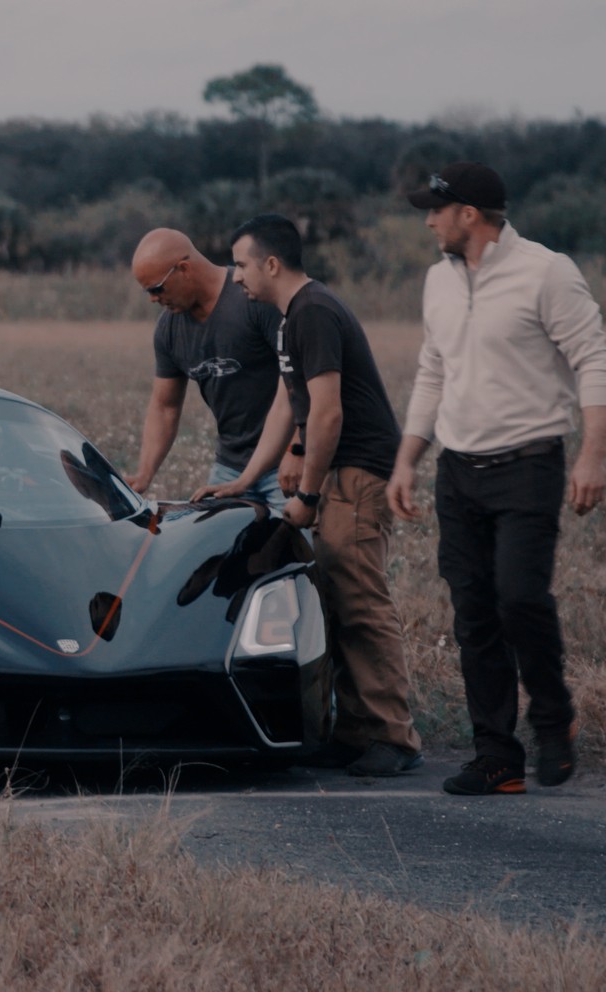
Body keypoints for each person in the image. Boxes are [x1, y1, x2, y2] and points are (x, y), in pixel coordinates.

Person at [389, 162, 606, 796]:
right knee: (475, 616)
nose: (428, 220)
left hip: (528, 465)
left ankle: (553, 719)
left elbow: (593, 360)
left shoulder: (547, 272)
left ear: (470, 214)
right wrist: (409, 457)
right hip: (457, 471)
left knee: (520, 598)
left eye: (436, 209)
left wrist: (592, 455)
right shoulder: (438, 281)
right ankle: (497, 757)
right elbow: (433, 371)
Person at [215, 214, 424, 778]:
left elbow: (328, 412)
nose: (235, 278)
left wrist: (308, 491)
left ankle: (394, 737)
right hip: (337, 472)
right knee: (332, 598)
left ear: (271, 264)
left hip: (357, 472)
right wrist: (244, 477)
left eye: (240, 264)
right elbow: (291, 406)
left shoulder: (313, 312)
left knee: (360, 601)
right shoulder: (289, 319)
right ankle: (356, 734)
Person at [125, 228, 285, 510]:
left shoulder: (254, 297)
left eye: (156, 288)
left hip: (285, 464)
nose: (153, 299)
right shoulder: (168, 330)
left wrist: (300, 451)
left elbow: (304, 381)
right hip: (231, 468)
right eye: (147, 291)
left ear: (184, 269)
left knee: (305, 549)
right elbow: (165, 407)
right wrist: (144, 474)